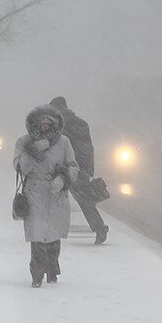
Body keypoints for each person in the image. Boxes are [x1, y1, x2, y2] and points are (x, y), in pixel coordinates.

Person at [14, 105, 79, 288]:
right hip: (34, 191)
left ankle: (52, 271)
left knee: (53, 234)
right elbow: (20, 168)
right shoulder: (24, 142)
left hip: (56, 192)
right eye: (40, 123)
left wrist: (63, 178)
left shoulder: (64, 142)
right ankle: (36, 274)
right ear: (34, 124)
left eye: (48, 124)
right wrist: (34, 151)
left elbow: (73, 166)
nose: (44, 127)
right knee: (37, 235)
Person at [49, 96, 109, 245]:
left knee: (52, 195)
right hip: (80, 166)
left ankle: (50, 230)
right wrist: (89, 169)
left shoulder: (58, 124)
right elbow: (88, 148)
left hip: (64, 166)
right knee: (84, 200)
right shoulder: (81, 123)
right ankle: (99, 227)